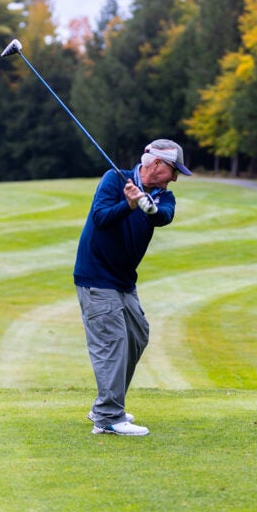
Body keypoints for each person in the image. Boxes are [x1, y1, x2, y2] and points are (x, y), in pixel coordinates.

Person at [74, 139, 192, 436]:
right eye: (173, 171)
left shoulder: (164, 197)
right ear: (155, 165)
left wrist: (148, 206)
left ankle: (106, 406)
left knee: (137, 335)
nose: (175, 178)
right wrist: (129, 204)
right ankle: (109, 418)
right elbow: (101, 218)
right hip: (97, 277)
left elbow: (164, 216)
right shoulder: (114, 179)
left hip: (124, 281)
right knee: (112, 342)